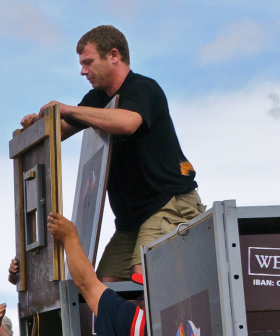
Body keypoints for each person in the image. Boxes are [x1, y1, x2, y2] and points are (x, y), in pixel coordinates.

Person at [21, 25, 202, 283]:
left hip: (169, 205)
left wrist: (69, 109)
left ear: (114, 55)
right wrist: (39, 126)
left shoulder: (143, 89)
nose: (83, 71)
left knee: (145, 277)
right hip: (131, 221)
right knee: (106, 288)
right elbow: (60, 132)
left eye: (88, 62)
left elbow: (127, 123)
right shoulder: (96, 99)